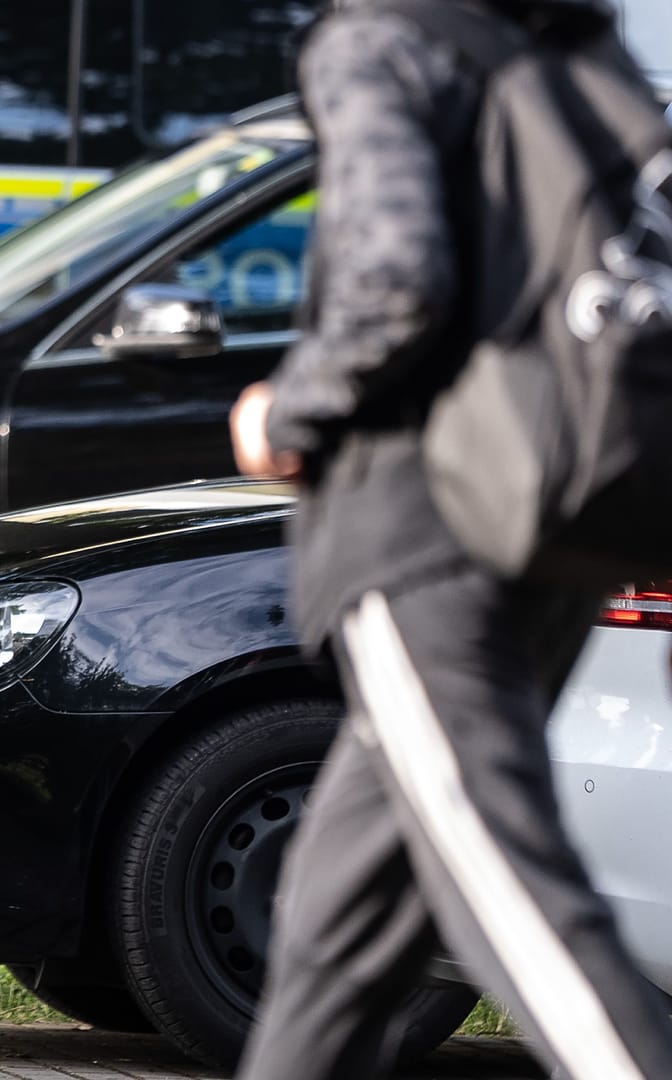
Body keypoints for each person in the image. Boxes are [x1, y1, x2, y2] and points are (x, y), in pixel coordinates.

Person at [229, 1, 672, 1077]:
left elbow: (395, 280)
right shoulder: (576, 42)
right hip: (556, 520)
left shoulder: (377, 38)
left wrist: (285, 414)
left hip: (422, 534)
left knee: (515, 896)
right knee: (331, 947)